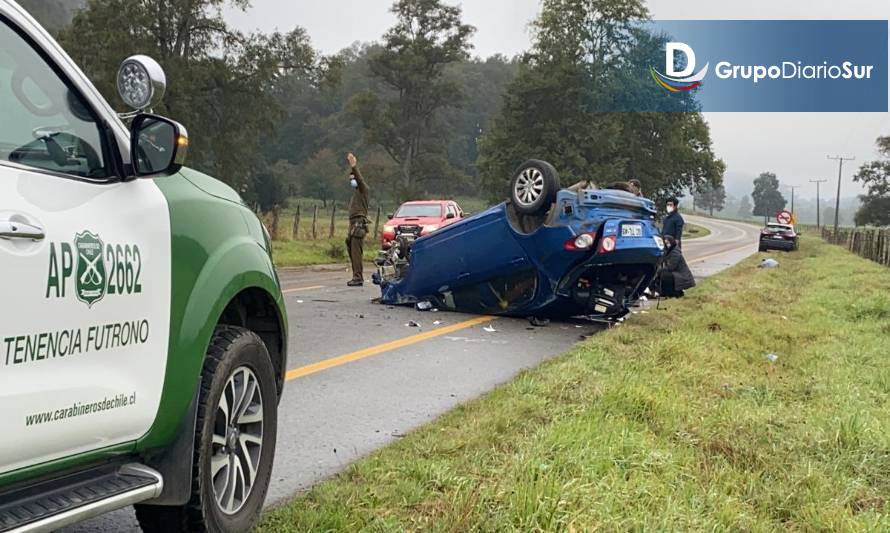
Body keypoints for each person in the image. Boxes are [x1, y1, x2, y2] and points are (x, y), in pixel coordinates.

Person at [345, 152, 369, 287]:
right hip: (353, 223)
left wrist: (354, 167)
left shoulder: (363, 190)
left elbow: (359, 180)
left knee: (356, 251)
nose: (352, 180)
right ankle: (356, 274)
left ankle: (358, 277)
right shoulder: (356, 194)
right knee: (350, 245)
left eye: (353, 178)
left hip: (358, 223)